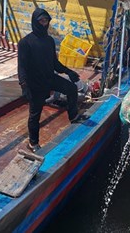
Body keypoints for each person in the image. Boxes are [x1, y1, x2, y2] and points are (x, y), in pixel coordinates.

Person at [17, 8, 82, 152]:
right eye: (40, 21)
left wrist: (69, 72)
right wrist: (24, 85)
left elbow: (55, 64)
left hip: (49, 78)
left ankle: (73, 116)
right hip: (35, 83)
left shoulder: (49, 40)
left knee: (71, 89)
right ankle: (33, 143)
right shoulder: (25, 43)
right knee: (35, 114)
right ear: (35, 22)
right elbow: (21, 67)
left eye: (46, 20)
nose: (43, 23)